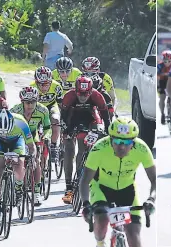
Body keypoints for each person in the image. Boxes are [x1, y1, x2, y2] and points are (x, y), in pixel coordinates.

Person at [80, 117, 156, 247]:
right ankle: (100, 243)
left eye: (126, 143)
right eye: (117, 141)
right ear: (110, 140)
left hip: (127, 190)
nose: (121, 146)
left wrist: (151, 199)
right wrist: (86, 204)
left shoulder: (142, 149)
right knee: (102, 220)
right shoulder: (99, 148)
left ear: (134, 142)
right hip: (101, 188)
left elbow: (154, 179)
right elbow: (85, 180)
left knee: (134, 237)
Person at [60, 76, 111, 204]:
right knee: (69, 150)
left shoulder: (97, 96)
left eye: (86, 94)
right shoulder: (69, 96)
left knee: (83, 147)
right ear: (75, 90)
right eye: (80, 94)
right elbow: (64, 116)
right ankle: (69, 187)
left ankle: (82, 177)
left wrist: (108, 130)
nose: (83, 97)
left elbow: (105, 116)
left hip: (90, 119)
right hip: (73, 119)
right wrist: (66, 130)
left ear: (91, 91)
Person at [0, 109, 36, 219]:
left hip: (16, 141)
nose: (5, 133)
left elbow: (31, 146)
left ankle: (18, 187)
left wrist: (33, 158)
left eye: (7, 130)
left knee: (19, 164)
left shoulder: (21, 122)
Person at [10, 86, 53, 206]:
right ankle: (18, 186)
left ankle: (36, 193)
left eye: (33, 102)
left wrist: (46, 136)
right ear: (22, 102)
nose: (30, 105)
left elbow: (47, 127)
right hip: (18, 136)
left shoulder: (43, 110)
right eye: (27, 102)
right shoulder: (14, 111)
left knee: (36, 162)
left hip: (33, 135)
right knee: (18, 161)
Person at [30, 66, 62, 170]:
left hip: (51, 106)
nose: (44, 87)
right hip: (37, 108)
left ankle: (53, 146)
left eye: (47, 84)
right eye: (41, 84)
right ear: (36, 82)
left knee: (56, 119)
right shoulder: (31, 87)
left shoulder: (57, 86)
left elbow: (62, 105)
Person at [157, 50, 171, 125]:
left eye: (169, 61)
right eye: (165, 61)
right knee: (162, 97)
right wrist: (158, 86)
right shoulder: (160, 66)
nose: (167, 63)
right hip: (162, 82)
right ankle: (162, 113)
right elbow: (157, 77)